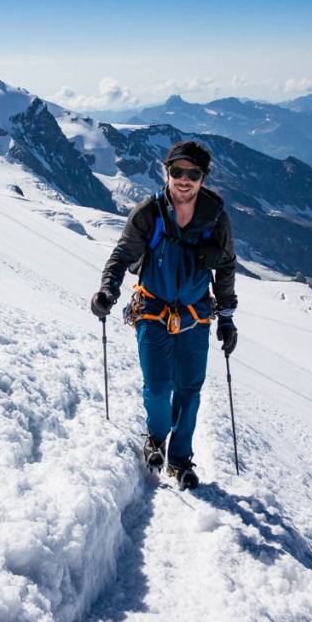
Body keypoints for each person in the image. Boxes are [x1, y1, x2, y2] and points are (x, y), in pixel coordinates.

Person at [91, 141, 237, 489]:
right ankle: (156, 438)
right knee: (159, 386)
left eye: (193, 173)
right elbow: (123, 254)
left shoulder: (216, 218)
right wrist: (109, 288)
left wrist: (227, 317)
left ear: (204, 177)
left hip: (196, 314)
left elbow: (226, 267)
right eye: (177, 171)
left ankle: (180, 459)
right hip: (152, 309)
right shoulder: (149, 213)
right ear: (165, 171)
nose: (184, 180)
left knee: (190, 389)